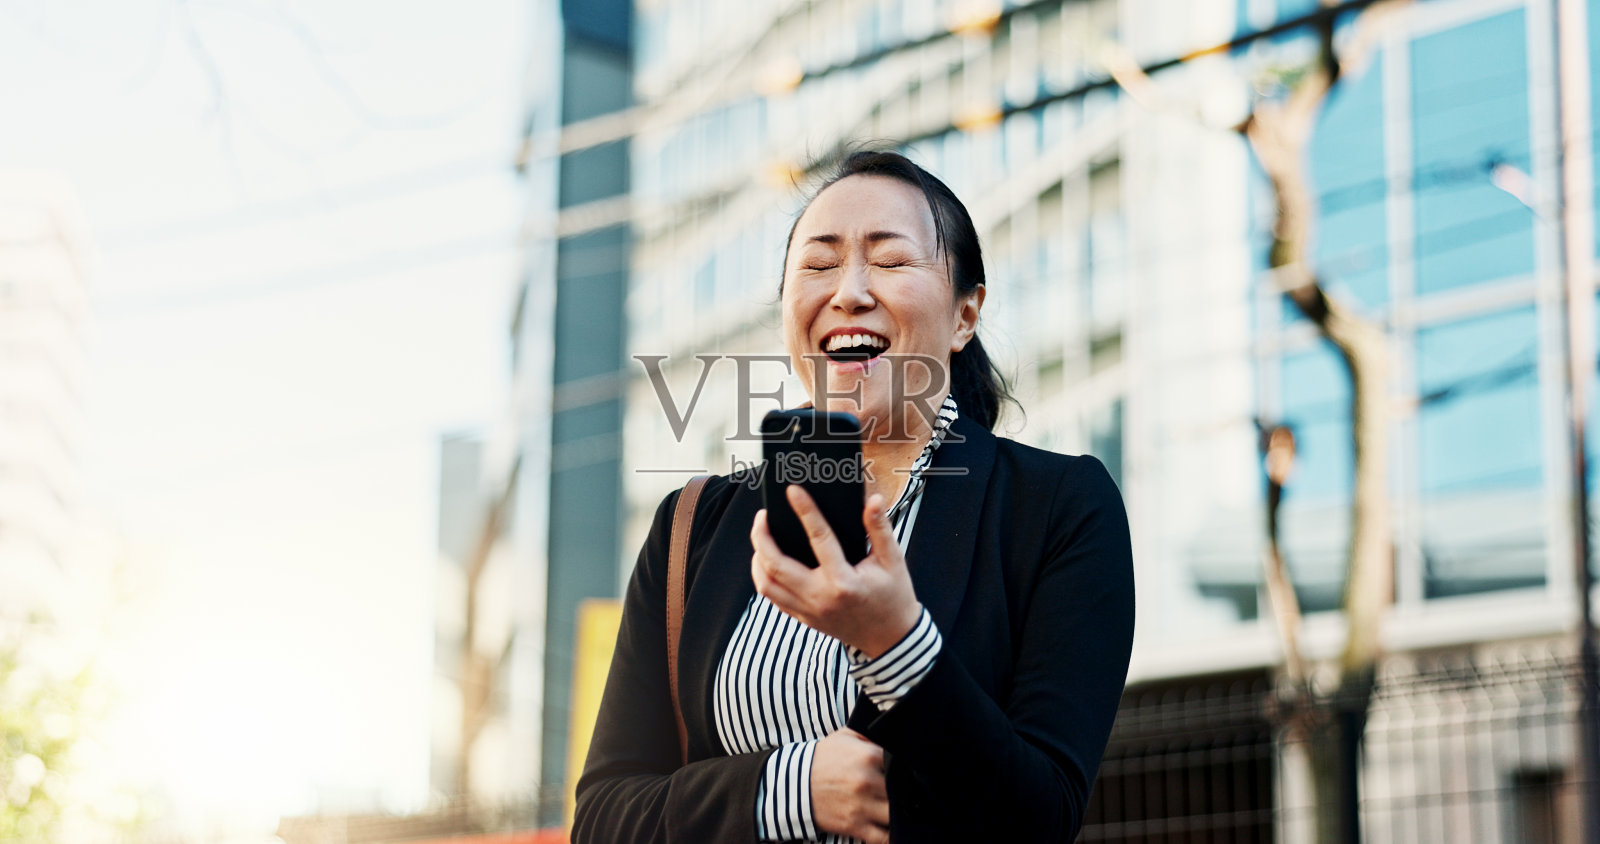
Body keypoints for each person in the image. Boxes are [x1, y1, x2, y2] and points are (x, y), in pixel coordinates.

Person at [573, 150, 1134, 843]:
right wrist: (787, 790)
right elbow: (601, 820)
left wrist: (893, 643)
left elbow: (1040, 818)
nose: (849, 292)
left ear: (965, 316)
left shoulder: (1058, 509)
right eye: (818, 264)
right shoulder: (696, 526)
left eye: (892, 261)